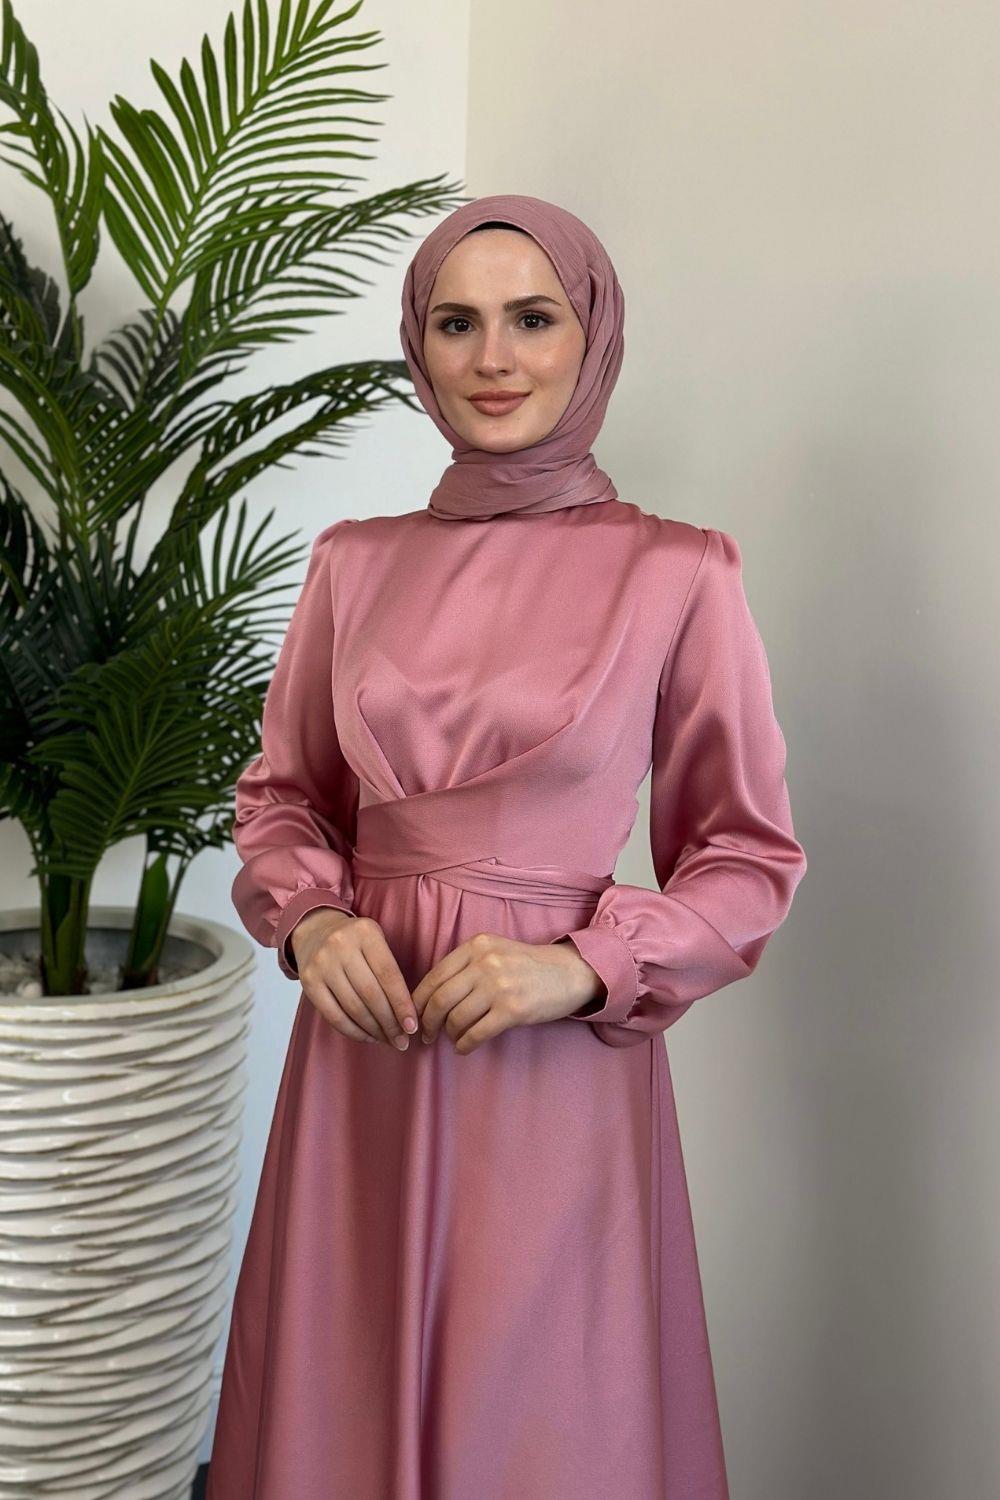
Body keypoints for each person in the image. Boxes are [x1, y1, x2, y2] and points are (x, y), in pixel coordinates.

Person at [205, 193, 807, 1500]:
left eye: (533, 319)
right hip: (364, 1054)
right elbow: (284, 799)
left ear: (593, 337)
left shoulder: (679, 572)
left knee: (544, 1425)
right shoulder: (352, 563)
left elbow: (744, 855)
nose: (492, 358)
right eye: (456, 323)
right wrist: (314, 922)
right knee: (342, 1390)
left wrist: (585, 965)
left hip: (552, 1077)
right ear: (417, 345)